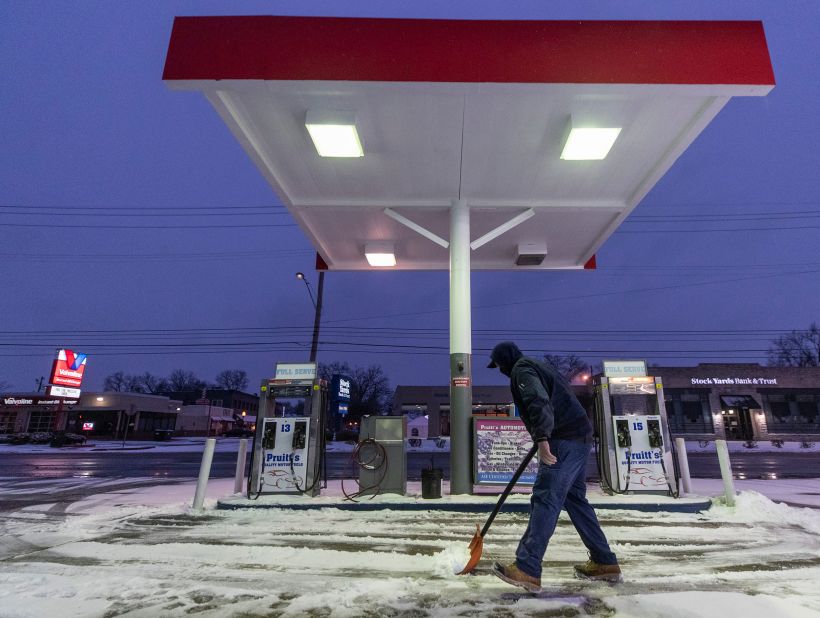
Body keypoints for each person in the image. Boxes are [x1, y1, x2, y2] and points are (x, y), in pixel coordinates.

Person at [486, 341, 621, 592]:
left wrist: (542, 439)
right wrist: (544, 434)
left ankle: (527, 568)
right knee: (575, 500)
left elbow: (539, 401)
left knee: (545, 498)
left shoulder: (522, 370)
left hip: (563, 440)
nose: (501, 370)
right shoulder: (538, 365)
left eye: (500, 366)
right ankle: (605, 563)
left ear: (505, 361)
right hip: (578, 437)